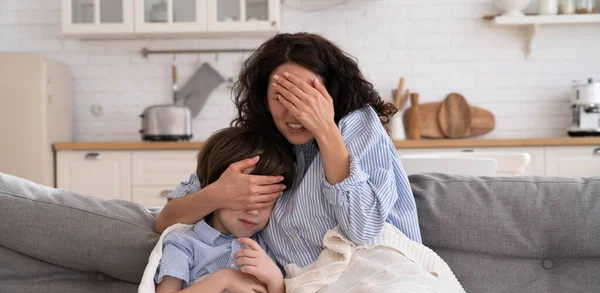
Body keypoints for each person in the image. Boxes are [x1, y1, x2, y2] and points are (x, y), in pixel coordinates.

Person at [156, 32, 422, 271]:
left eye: (306, 97)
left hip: (380, 275)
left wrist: (325, 129)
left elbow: (363, 227)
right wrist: (219, 193)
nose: (295, 111)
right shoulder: (257, 144)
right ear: (264, 100)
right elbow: (165, 221)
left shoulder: (356, 125)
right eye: (281, 97)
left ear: (330, 94)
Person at [155, 127, 295, 293]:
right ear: (218, 190)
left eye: (264, 202)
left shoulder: (267, 247)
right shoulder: (183, 242)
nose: (254, 212)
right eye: (245, 198)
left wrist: (275, 281)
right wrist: (223, 279)